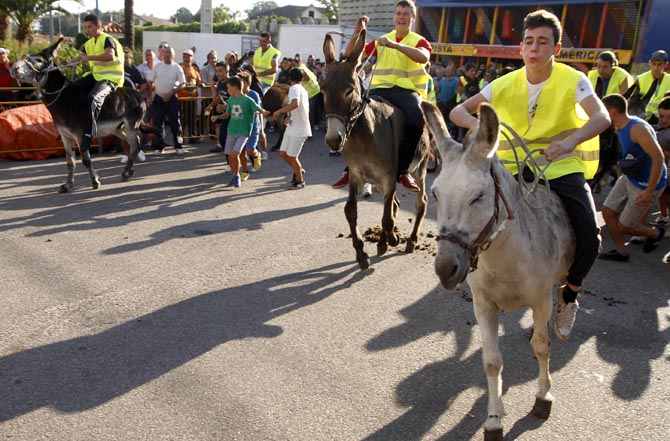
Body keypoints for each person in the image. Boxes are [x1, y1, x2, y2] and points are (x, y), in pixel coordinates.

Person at [450, 9, 610, 340]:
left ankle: (570, 294)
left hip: (559, 166)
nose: (534, 49)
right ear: (521, 48)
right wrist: (480, 126)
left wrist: (569, 142)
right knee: (468, 211)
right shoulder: (504, 82)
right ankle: (478, 276)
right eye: (528, 42)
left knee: (590, 235)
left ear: (557, 48)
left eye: (542, 42)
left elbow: (602, 118)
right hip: (509, 166)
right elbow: (456, 111)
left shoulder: (573, 79)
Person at [332, 1, 431, 192]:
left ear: (413, 18)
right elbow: (349, 54)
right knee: (353, 111)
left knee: (418, 115)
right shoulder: (382, 39)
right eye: (398, 13)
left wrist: (394, 45)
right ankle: (349, 169)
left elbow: (423, 57)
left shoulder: (418, 40)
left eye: (405, 14)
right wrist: (358, 31)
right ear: (394, 17)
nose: (401, 17)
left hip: (406, 92)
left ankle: (403, 170)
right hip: (380, 91)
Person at [598, 94, 667, 261]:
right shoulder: (621, 125)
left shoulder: (637, 128)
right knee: (607, 212)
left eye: (602, 111)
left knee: (624, 226)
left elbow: (658, 158)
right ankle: (621, 251)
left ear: (612, 112)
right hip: (630, 177)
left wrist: (649, 191)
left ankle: (656, 233)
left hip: (646, 183)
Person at [74, 14, 124, 152]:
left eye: (90, 27)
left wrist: (88, 57)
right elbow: (79, 59)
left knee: (94, 97)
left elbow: (110, 56)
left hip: (111, 78)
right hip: (96, 76)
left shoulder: (108, 39)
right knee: (71, 89)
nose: (87, 30)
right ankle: (73, 126)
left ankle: (88, 133)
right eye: (85, 27)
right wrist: (65, 63)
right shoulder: (88, 44)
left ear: (99, 27)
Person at [217, 76, 270, 188]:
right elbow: (227, 114)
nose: (227, 90)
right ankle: (237, 175)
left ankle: (255, 158)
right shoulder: (231, 99)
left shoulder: (249, 98)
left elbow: (258, 109)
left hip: (244, 131)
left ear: (235, 87)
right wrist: (216, 117)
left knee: (239, 152)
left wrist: (265, 112)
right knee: (233, 156)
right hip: (232, 131)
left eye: (228, 88)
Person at [273, 68, 312, 189]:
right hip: (292, 126)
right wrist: (288, 117)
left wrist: (279, 111)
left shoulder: (294, 89)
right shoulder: (301, 90)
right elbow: (299, 108)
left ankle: (300, 181)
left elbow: (295, 104)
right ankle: (298, 170)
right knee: (283, 153)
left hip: (299, 130)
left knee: (292, 156)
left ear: (290, 78)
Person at [147, 46, 186, 155]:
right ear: (163, 54)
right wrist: (150, 96)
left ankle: (178, 146)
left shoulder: (177, 67)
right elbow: (150, 81)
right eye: (166, 52)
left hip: (172, 98)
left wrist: (170, 93)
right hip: (159, 98)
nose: (168, 54)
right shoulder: (157, 66)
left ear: (173, 55)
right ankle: (159, 147)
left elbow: (183, 84)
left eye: (170, 52)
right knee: (158, 124)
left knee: (175, 123)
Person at [120, 50, 147, 163]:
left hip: (133, 104)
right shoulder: (117, 69)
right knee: (122, 129)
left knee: (136, 128)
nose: (125, 60)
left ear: (131, 59)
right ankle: (127, 153)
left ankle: (138, 150)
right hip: (120, 104)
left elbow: (145, 84)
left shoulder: (135, 70)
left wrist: (137, 94)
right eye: (123, 57)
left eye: (127, 58)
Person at [236, 71, 264, 179]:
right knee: (241, 151)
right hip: (240, 127)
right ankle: (245, 171)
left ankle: (257, 155)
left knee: (249, 149)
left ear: (247, 83)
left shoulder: (253, 95)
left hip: (252, 127)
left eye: (240, 82)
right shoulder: (237, 95)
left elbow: (257, 110)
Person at [637, 50, 670, 124]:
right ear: (649, 63)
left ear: (665, 65)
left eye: (659, 64)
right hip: (642, 118)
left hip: (662, 119)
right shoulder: (640, 79)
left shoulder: (669, 80)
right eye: (654, 64)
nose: (656, 67)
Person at [204, 61, 231, 154]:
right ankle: (230, 160)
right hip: (227, 114)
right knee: (223, 136)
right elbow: (220, 96)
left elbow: (238, 100)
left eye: (220, 71)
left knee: (238, 138)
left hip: (237, 116)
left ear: (227, 71)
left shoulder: (232, 84)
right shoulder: (219, 83)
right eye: (217, 71)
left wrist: (224, 106)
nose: (218, 73)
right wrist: (210, 106)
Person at [652, 96, 670, 227]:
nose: (664, 120)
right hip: (663, 168)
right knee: (663, 193)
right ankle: (664, 216)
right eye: (662, 116)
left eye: (669, 117)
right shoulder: (661, 126)